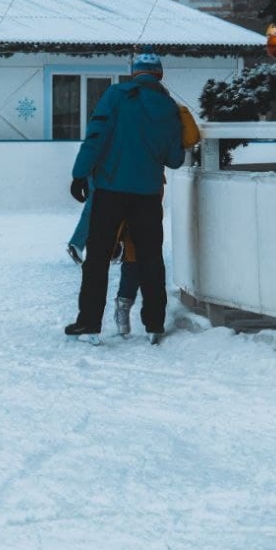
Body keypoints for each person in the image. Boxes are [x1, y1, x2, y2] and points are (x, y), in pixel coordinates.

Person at [64, 52, 185, 343]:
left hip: (110, 190)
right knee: (150, 258)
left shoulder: (116, 95)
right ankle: (155, 325)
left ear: (134, 73)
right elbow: (175, 159)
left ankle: (90, 323)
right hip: (147, 193)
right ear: (159, 75)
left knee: (98, 259)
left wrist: (80, 173)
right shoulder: (169, 107)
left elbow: (97, 135)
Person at [112, 103, 201, 335]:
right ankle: (129, 308)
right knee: (137, 255)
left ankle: (133, 310)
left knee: (141, 256)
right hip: (127, 195)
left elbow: (190, 138)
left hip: (145, 198)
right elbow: (190, 139)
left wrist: (179, 111)